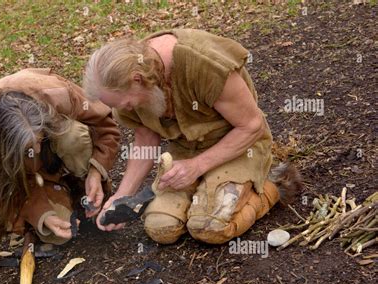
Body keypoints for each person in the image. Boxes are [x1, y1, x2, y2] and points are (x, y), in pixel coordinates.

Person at [83, 29, 301, 245]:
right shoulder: (126, 88)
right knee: (161, 227)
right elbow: (145, 139)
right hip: (185, 150)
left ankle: (275, 183)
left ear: (137, 79)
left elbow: (251, 126)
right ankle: (203, 196)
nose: (122, 109)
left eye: (125, 103)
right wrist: (122, 196)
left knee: (209, 228)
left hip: (238, 145)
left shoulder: (202, 63)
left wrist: (197, 167)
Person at [0, 68, 120, 246]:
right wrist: (42, 213)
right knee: (58, 234)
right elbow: (9, 191)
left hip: (64, 148)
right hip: (33, 181)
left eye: (40, 139)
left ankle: (86, 188)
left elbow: (106, 127)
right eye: (27, 149)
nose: (37, 150)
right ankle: (58, 192)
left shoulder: (59, 95)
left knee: (73, 136)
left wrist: (95, 171)